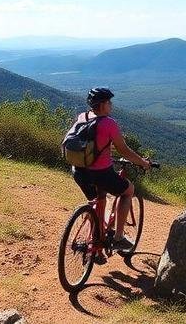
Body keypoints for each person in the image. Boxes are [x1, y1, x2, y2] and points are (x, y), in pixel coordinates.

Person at [67, 87, 151, 252]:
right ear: (103, 104)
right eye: (109, 102)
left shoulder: (82, 117)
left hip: (79, 171)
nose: (111, 105)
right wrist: (142, 162)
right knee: (128, 191)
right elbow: (124, 151)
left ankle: (97, 243)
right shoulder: (109, 123)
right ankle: (119, 238)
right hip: (101, 174)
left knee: (95, 203)